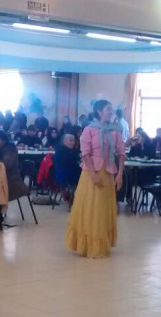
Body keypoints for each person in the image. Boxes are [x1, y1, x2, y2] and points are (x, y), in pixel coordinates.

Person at [65, 100, 126, 258]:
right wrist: (92, 174)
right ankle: (88, 244)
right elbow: (85, 153)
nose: (111, 111)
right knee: (92, 208)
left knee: (104, 208)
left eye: (111, 109)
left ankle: (102, 241)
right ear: (99, 111)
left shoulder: (115, 131)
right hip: (91, 173)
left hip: (108, 172)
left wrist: (119, 174)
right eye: (108, 109)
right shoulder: (89, 129)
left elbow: (121, 153)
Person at [0, 130, 29, 202]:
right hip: (2, 180)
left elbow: (5, 165)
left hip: (11, 183)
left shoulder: (10, 150)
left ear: (4, 141)